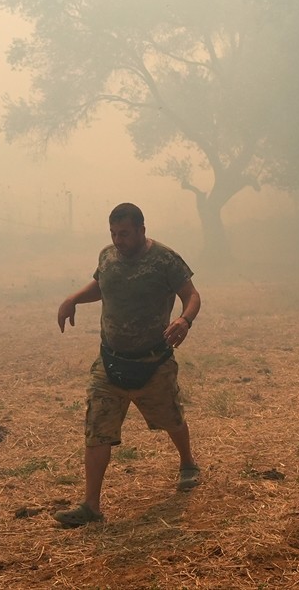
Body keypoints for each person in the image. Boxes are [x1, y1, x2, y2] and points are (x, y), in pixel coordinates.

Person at [53, 202, 202, 528]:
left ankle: (188, 464)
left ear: (141, 230)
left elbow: (192, 295)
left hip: (153, 362)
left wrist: (184, 320)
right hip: (110, 362)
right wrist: (72, 299)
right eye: (114, 233)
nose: (118, 240)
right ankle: (91, 506)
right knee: (97, 430)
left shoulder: (165, 259)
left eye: (125, 234)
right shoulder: (107, 257)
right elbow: (102, 285)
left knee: (171, 418)